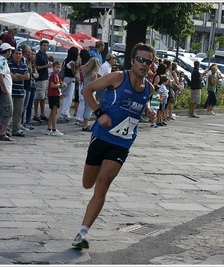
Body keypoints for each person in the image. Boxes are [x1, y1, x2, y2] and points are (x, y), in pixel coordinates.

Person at [71, 42, 156, 249]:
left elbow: (143, 103)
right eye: (141, 60)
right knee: (87, 183)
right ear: (133, 60)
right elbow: (87, 90)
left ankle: (82, 233)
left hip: (122, 143)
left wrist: (148, 111)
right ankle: (83, 229)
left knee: (102, 185)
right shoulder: (118, 78)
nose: (144, 64)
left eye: (148, 62)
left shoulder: (150, 88)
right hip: (101, 137)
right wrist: (99, 114)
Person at [7, 47, 30, 137]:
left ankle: (16, 129)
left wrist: (17, 75)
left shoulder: (24, 64)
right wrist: (21, 76)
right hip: (11, 91)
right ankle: (7, 129)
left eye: (20, 54)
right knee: (9, 111)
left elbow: (27, 77)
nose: (18, 55)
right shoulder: (9, 64)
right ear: (13, 54)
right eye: (16, 53)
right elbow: (11, 77)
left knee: (18, 112)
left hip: (20, 91)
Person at [80, 57, 101, 132]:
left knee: (86, 107)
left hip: (85, 91)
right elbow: (96, 82)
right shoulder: (93, 73)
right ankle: (85, 125)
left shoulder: (86, 72)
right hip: (91, 92)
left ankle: (85, 123)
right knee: (89, 108)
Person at [46, 61, 66, 136]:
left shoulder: (56, 76)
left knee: (53, 112)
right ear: (53, 67)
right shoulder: (54, 75)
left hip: (55, 94)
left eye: (59, 67)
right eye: (57, 67)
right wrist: (61, 85)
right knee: (54, 112)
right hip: (53, 95)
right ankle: (54, 129)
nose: (58, 69)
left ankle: (49, 128)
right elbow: (52, 85)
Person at [34, 40, 51, 123]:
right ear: (40, 46)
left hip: (44, 78)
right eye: (44, 45)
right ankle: (36, 113)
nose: (45, 47)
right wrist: (45, 66)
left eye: (47, 45)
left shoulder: (45, 55)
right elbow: (36, 67)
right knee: (38, 96)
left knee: (43, 97)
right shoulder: (38, 55)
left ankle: (42, 113)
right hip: (39, 78)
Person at [61, 47, 80, 121]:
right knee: (68, 97)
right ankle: (65, 112)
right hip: (70, 79)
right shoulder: (72, 62)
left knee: (67, 96)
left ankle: (65, 112)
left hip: (66, 79)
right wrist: (78, 68)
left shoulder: (66, 60)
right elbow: (74, 72)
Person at [22, 47, 38, 130]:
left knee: (30, 105)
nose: (33, 56)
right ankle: (21, 122)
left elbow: (36, 74)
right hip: (27, 86)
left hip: (33, 86)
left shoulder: (33, 64)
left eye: (34, 54)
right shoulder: (26, 63)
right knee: (24, 105)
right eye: (31, 54)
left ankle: (28, 121)